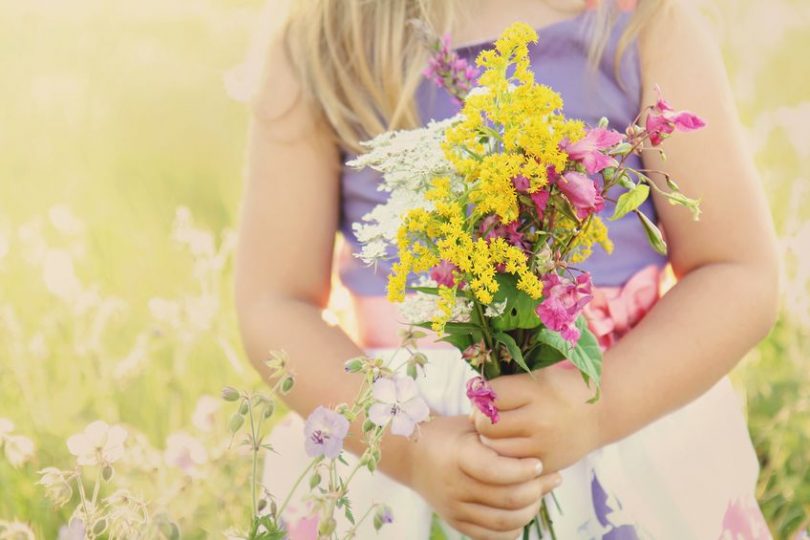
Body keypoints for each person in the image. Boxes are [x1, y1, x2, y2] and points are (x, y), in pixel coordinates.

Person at [234, 0, 779, 538]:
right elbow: (275, 303)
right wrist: (413, 451)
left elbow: (737, 272)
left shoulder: (646, 26)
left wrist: (597, 411)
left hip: (624, 425)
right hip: (405, 440)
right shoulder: (324, 41)